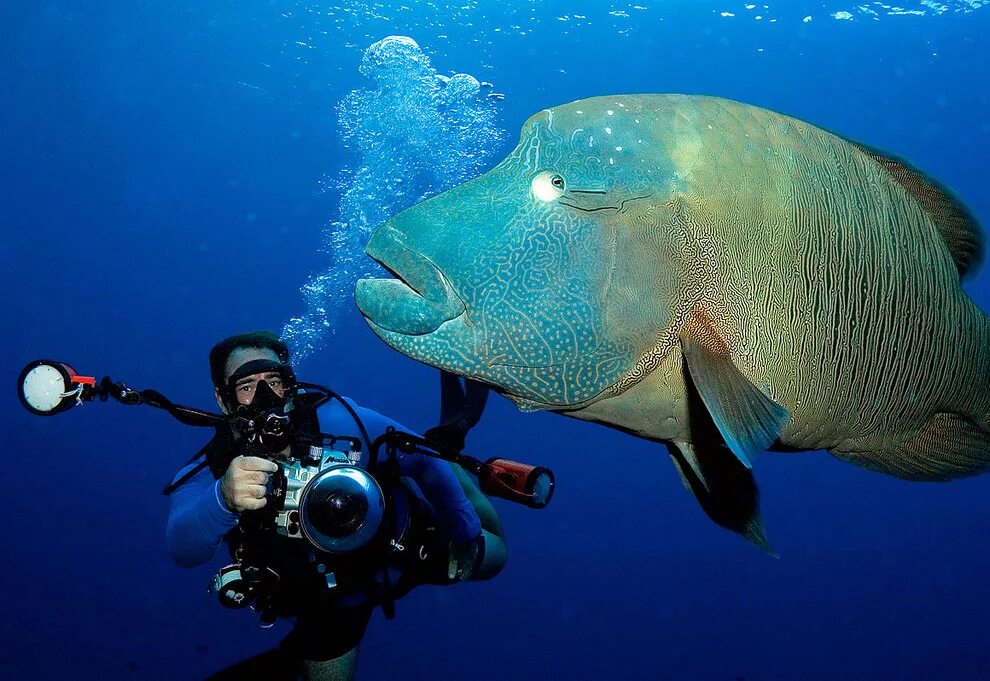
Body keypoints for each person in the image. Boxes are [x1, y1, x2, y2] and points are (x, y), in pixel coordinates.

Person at [166, 331, 506, 680]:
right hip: (330, 606)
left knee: (496, 553)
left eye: (274, 381)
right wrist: (223, 499)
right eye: (247, 386)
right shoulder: (212, 471)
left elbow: (424, 459)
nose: (265, 396)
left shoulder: (337, 420)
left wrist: (465, 533)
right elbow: (182, 546)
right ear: (222, 398)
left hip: (407, 545)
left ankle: (454, 448)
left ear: (290, 384)